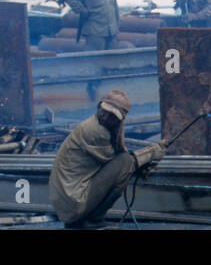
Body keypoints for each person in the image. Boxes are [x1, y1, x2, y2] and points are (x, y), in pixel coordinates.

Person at [48, 89, 166, 228]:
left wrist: (139, 163)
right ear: (99, 107)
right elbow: (121, 163)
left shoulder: (97, 124)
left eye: (111, 115)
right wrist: (152, 153)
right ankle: (94, 220)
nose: (105, 116)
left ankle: (88, 219)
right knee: (126, 162)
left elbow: (116, 158)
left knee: (127, 162)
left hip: (70, 199)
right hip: (74, 201)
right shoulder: (95, 131)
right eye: (104, 111)